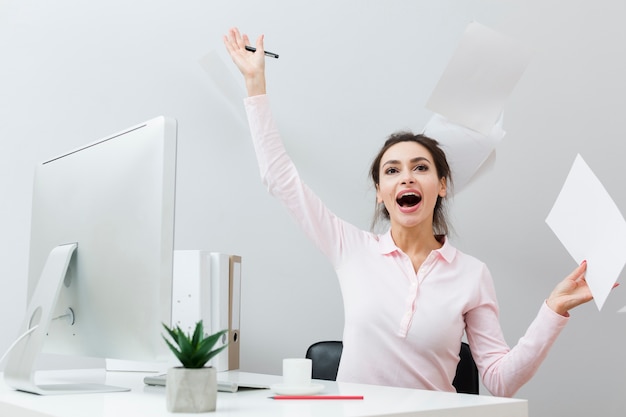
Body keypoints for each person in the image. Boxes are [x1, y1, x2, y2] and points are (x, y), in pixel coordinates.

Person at [223, 27, 595, 398]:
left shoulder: (471, 274)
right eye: (392, 170)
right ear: (380, 194)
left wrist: (554, 309)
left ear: (442, 185)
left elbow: (501, 380)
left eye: (420, 168)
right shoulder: (350, 248)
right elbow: (279, 178)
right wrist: (255, 84)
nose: (406, 178)